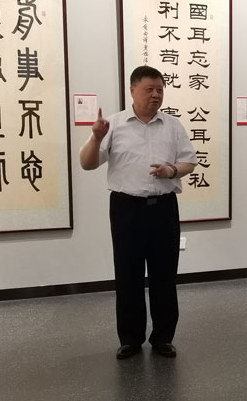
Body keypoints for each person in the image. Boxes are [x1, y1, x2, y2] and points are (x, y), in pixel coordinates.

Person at [80, 65, 196, 360]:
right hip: (126, 209)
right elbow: (87, 163)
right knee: (127, 275)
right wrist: (95, 138)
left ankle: (163, 337)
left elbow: (189, 162)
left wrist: (171, 170)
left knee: (164, 275)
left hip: (164, 209)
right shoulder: (114, 125)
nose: (156, 95)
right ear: (132, 90)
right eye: (149, 89)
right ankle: (130, 339)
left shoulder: (173, 125)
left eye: (160, 89)